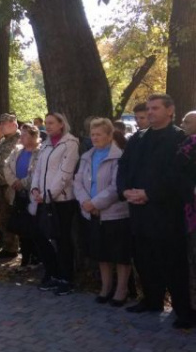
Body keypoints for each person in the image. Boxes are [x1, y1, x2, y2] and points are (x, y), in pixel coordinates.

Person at [117, 94, 194, 328]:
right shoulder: (138, 138)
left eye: (155, 108)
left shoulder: (181, 139)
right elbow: (124, 167)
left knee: (174, 263)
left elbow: (179, 177)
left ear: (170, 111)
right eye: (148, 108)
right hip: (139, 212)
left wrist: (150, 193)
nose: (150, 112)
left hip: (167, 213)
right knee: (144, 259)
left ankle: (183, 311)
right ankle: (152, 300)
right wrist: (125, 191)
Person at [73, 118, 131, 306]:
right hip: (92, 213)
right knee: (101, 254)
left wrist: (96, 203)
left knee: (120, 254)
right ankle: (106, 287)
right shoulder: (87, 156)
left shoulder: (119, 156)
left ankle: (121, 290)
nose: (95, 138)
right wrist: (85, 202)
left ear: (109, 135)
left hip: (114, 213)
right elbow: (78, 181)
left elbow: (116, 187)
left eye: (99, 134)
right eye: (92, 134)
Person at [31, 112, 80, 296]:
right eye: (46, 123)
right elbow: (38, 170)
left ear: (61, 124)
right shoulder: (45, 145)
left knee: (62, 239)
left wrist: (48, 194)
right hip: (42, 199)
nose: (48, 126)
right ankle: (53, 272)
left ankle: (66, 278)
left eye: (51, 123)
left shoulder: (70, 143)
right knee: (40, 235)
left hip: (61, 200)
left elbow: (65, 173)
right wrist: (35, 189)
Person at [3, 124, 41, 267]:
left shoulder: (40, 152)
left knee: (34, 227)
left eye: (24, 135)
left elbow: (37, 172)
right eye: (21, 135)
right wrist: (13, 182)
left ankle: (37, 257)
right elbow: (6, 166)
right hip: (17, 194)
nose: (21, 138)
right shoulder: (17, 151)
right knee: (21, 227)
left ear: (34, 136)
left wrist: (23, 183)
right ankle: (25, 257)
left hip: (33, 194)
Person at [0, 114, 22, 259]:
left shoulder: (20, 139)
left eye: (4, 123)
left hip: (12, 184)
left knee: (12, 215)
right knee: (2, 216)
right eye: (1, 124)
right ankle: (7, 245)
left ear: (13, 124)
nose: (1, 126)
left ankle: (14, 247)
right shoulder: (2, 141)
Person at [177, 111, 196, 316]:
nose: (183, 124)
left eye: (188, 121)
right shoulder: (185, 144)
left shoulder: (188, 146)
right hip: (190, 211)